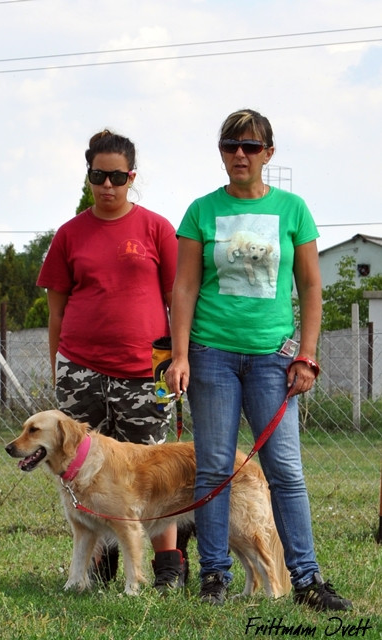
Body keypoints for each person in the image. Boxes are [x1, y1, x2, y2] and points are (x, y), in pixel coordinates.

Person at [165, 108, 353, 610]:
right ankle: (214, 577)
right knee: (213, 470)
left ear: (269, 153)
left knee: (285, 470)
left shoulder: (293, 210)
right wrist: (179, 354)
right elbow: (183, 286)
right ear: (221, 152)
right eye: (231, 145)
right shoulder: (201, 211)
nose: (240, 155)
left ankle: (308, 579)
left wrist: (307, 355)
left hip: (273, 359)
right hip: (211, 355)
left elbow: (311, 286)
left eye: (250, 146)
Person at [37, 129, 186, 590]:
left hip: (150, 367)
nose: (107, 185)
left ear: (131, 177)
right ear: (88, 176)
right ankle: (101, 569)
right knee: (82, 471)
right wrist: (59, 367)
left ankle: (169, 570)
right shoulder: (69, 234)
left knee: (156, 473)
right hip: (81, 369)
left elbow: (178, 298)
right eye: (99, 175)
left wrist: (179, 358)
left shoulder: (157, 228)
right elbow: (57, 309)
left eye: (117, 176)